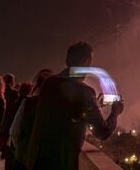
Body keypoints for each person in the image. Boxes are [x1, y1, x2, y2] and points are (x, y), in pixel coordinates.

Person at [23, 42, 124, 170]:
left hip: (38, 161)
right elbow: (102, 132)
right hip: (62, 162)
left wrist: (95, 104)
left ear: (67, 60)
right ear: (85, 63)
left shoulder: (49, 84)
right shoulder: (85, 92)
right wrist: (115, 112)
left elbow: (65, 110)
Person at [10, 70, 52, 170]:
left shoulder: (28, 103)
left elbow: (14, 131)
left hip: (24, 157)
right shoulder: (57, 107)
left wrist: (21, 149)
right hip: (46, 160)